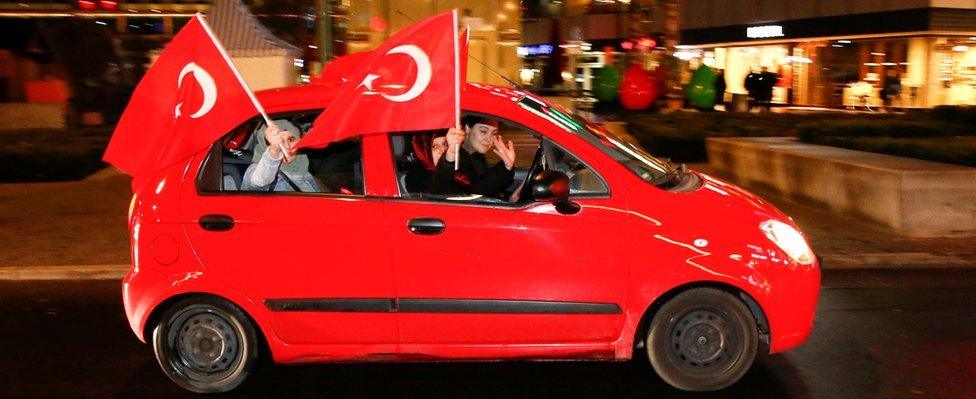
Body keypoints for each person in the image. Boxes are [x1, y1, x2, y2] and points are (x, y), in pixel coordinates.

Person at [428, 116, 516, 198]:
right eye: (483, 131)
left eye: (494, 133)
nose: (489, 139)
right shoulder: (454, 156)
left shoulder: (476, 155)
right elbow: (473, 192)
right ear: (467, 128)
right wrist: (506, 168)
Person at [241, 120, 321, 192]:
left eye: (291, 139)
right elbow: (259, 181)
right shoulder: (258, 169)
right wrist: (274, 150)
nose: (286, 146)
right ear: (265, 146)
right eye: (280, 142)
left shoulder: (302, 167)